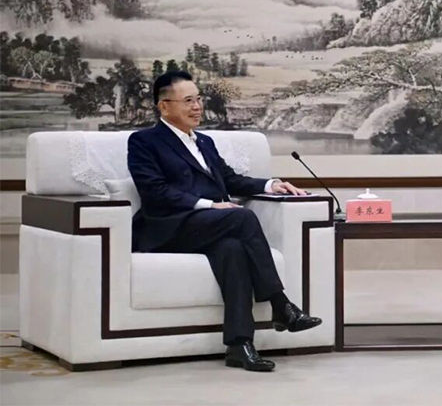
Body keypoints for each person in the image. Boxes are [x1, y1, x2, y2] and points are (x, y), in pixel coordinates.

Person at [128, 71, 321, 372]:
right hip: (168, 227)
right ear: (164, 106)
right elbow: (155, 192)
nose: (197, 107)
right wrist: (210, 205)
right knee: (241, 217)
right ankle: (280, 304)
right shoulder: (144, 142)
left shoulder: (205, 142)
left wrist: (271, 184)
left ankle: (239, 345)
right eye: (188, 101)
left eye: (199, 99)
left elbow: (230, 179)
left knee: (233, 249)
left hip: (207, 227)